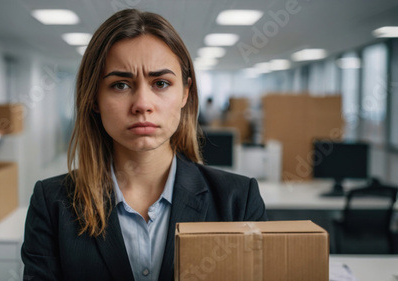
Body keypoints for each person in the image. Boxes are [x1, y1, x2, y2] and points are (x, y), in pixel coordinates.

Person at [21, 9, 267, 281]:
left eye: (161, 83)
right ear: (93, 98)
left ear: (185, 92)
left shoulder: (238, 200)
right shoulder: (52, 203)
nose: (142, 105)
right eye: (120, 85)